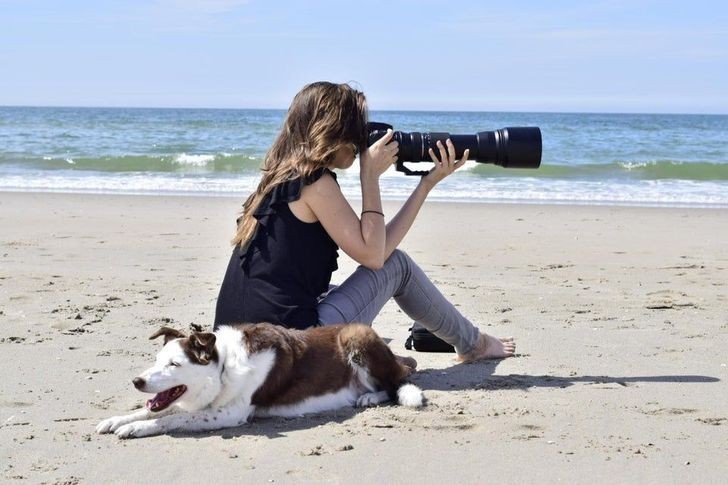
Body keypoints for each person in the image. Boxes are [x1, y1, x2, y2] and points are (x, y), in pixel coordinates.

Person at [214, 81, 515, 363]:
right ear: (333, 130)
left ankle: (401, 348)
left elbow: (376, 250)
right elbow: (377, 258)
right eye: (357, 129)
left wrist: (426, 184)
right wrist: (369, 176)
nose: (361, 139)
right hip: (292, 353)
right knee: (399, 265)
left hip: (238, 351)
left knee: (341, 285)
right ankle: (473, 344)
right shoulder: (316, 183)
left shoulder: (278, 180)